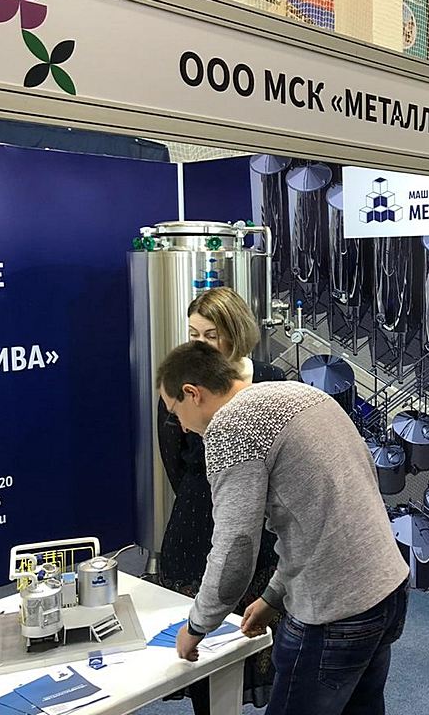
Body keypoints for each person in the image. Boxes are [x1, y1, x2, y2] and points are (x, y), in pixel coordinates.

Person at [157, 341, 410, 715]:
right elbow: (320, 521)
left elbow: (235, 549)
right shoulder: (300, 394)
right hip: (388, 588)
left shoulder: (231, 427)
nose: (180, 426)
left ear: (193, 394)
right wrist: (273, 597)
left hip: (335, 610)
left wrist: (196, 626)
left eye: (175, 411)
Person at [157, 287, 284, 712]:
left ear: (235, 332)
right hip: (197, 525)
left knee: (256, 633)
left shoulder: (271, 381)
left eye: (210, 335)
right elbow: (174, 460)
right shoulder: (178, 381)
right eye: (193, 334)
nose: (199, 344)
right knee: (204, 654)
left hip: (264, 529)